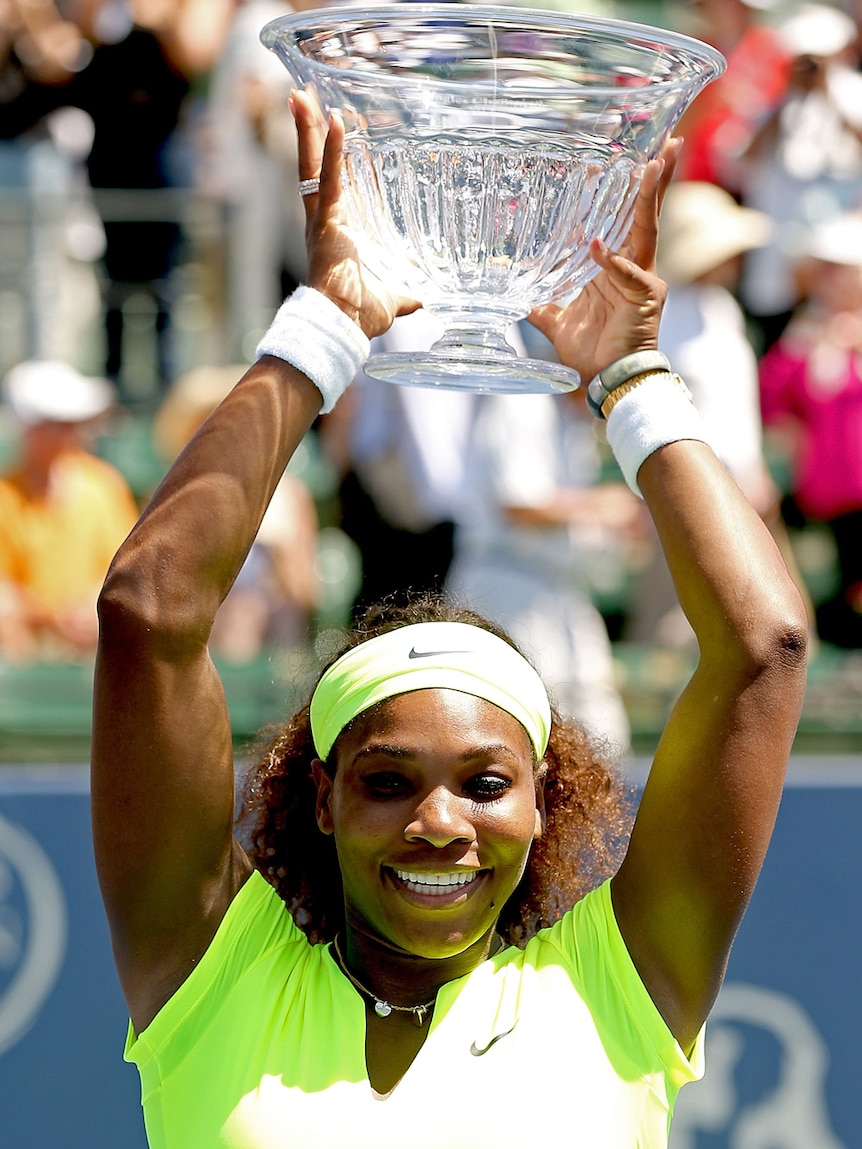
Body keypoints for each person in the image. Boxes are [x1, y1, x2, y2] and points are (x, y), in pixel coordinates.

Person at [90, 93, 808, 1147]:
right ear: (323, 798)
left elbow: (767, 647)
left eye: (483, 782)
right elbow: (148, 612)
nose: (438, 823)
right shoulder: (202, 968)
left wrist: (627, 372)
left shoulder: (623, 983)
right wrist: (328, 323)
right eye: (387, 781)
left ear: (542, 796)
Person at [759, 209, 862, 648]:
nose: (830, 282)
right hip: (825, 495)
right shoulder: (807, 331)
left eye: (840, 272)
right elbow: (773, 398)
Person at [0, 358, 138, 659]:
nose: (73, 433)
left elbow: (122, 569)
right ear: (31, 430)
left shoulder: (103, 486)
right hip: (26, 644)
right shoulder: (6, 496)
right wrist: (51, 617)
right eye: (59, 425)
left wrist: (91, 608)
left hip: (93, 636)